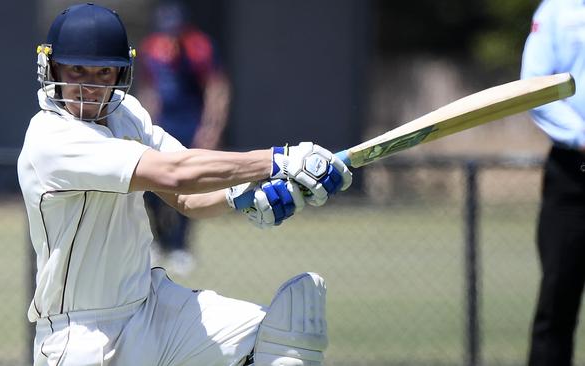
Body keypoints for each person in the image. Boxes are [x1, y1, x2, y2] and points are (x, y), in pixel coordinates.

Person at [17, 3, 351, 365]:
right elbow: (174, 172)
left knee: (286, 336)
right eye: (77, 70)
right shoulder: (51, 138)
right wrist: (278, 160)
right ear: (51, 68)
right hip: (80, 335)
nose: (90, 87)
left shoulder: (127, 114)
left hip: (152, 308)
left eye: (103, 73)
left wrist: (243, 198)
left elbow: (186, 198)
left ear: (120, 74)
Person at [136, 0, 231, 275]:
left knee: (189, 188)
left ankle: (180, 246)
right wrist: (146, 123)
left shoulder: (200, 46)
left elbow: (217, 88)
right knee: (151, 189)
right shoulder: (152, 48)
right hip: (163, 125)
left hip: (191, 125)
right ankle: (160, 240)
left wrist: (211, 127)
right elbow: (149, 89)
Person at [521, 1, 585, 365]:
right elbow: (535, 88)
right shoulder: (557, 10)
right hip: (574, 172)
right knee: (557, 303)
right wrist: (581, 135)